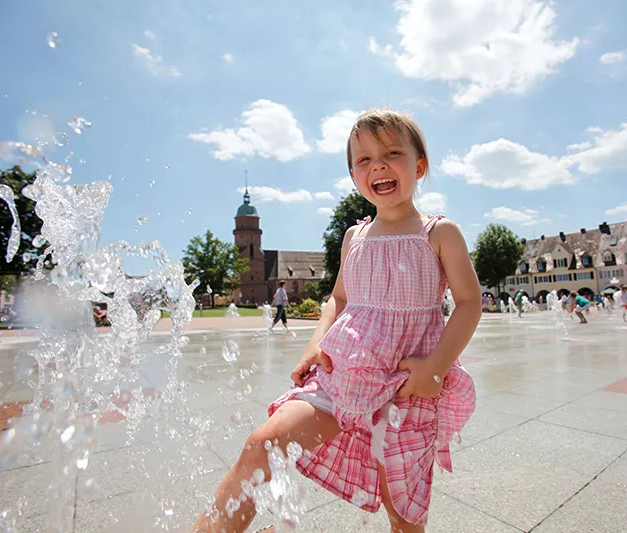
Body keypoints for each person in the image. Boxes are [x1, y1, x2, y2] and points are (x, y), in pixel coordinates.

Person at [193, 109, 481, 533]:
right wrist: (316, 343)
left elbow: (469, 302)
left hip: (407, 386)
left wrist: (435, 368)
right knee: (262, 444)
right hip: (343, 376)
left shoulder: (439, 233)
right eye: (363, 160)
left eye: (392, 153)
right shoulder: (355, 236)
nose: (377, 165)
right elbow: (340, 298)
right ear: (352, 176)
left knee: (401, 510)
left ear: (419, 167)